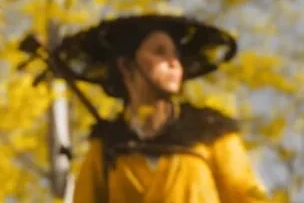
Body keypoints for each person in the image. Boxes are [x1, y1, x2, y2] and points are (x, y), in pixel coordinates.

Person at [50, 14, 269, 203]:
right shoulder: (108, 146)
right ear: (126, 66)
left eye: (175, 54)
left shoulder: (210, 132)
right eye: (159, 52)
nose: (173, 62)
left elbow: (247, 197)